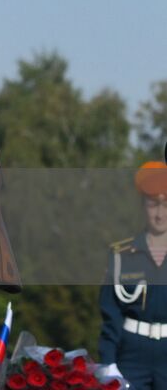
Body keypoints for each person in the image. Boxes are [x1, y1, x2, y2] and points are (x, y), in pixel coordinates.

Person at [99, 161, 167, 389]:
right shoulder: (122, 255)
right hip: (131, 353)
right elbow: (111, 315)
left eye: (165, 205)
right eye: (153, 205)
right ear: (143, 206)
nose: (159, 214)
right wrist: (108, 362)